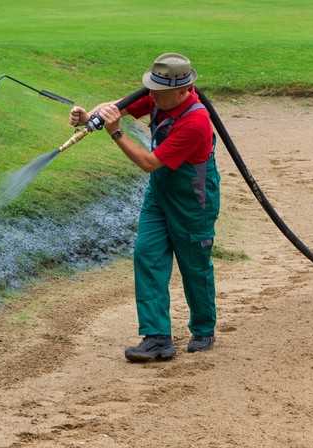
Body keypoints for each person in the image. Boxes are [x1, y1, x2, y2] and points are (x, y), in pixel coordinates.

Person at [69, 52, 220, 361]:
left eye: (159, 92)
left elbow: (149, 163)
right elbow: (116, 107)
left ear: (182, 91)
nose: (152, 96)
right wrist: (89, 117)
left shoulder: (196, 121)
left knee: (194, 265)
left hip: (194, 200)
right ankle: (157, 337)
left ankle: (204, 328)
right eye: (151, 89)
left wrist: (115, 132)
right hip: (160, 193)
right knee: (147, 254)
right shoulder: (158, 97)